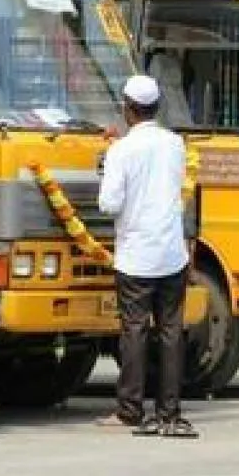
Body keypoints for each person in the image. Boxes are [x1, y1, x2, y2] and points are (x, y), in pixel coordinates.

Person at [94, 74, 198, 438]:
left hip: (137, 254)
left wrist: (106, 167)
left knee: (134, 332)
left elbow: (109, 204)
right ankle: (170, 412)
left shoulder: (121, 150)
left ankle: (130, 410)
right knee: (171, 332)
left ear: (128, 108)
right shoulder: (175, 144)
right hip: (171, 252)